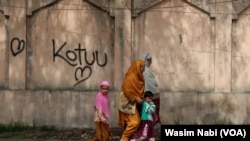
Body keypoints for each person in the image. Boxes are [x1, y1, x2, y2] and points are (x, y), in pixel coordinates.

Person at [118, 59, 145, 141]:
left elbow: (139, 89)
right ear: (138, 67)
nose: (144, 69)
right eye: (142, 67)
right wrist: (136, 98)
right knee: (135, 122)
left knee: (129, 121)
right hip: (127, 101)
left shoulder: (139, 77)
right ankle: (124, 138)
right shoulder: (131, 77)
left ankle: (129, 138)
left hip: (135, 102)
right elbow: (127, 90)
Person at [140, 53, 161, 127]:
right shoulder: (144, 71)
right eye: (149, 60)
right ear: (144, 60)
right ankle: (147, 132)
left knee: (153, 116)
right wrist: (147, 98)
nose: (150, 62)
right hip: (150, 97)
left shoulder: (147, 70)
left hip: (154, 96)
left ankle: (149, 132)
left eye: (151, 60)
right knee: (151, 116)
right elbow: (146, 85)